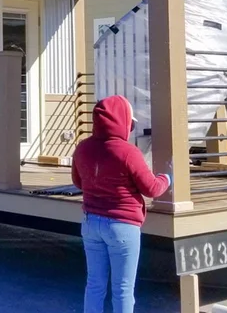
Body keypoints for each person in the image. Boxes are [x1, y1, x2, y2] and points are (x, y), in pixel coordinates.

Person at [71, 95, 172, 313]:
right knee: (123, 289)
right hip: (122, 226)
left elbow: (78, 181)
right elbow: (152, 188)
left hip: (90, 223)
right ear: (122, 122)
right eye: (130, 123)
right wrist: (168, 177)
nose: (131, 128)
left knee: (94, 285)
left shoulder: (82, 148)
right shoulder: (128, 153)